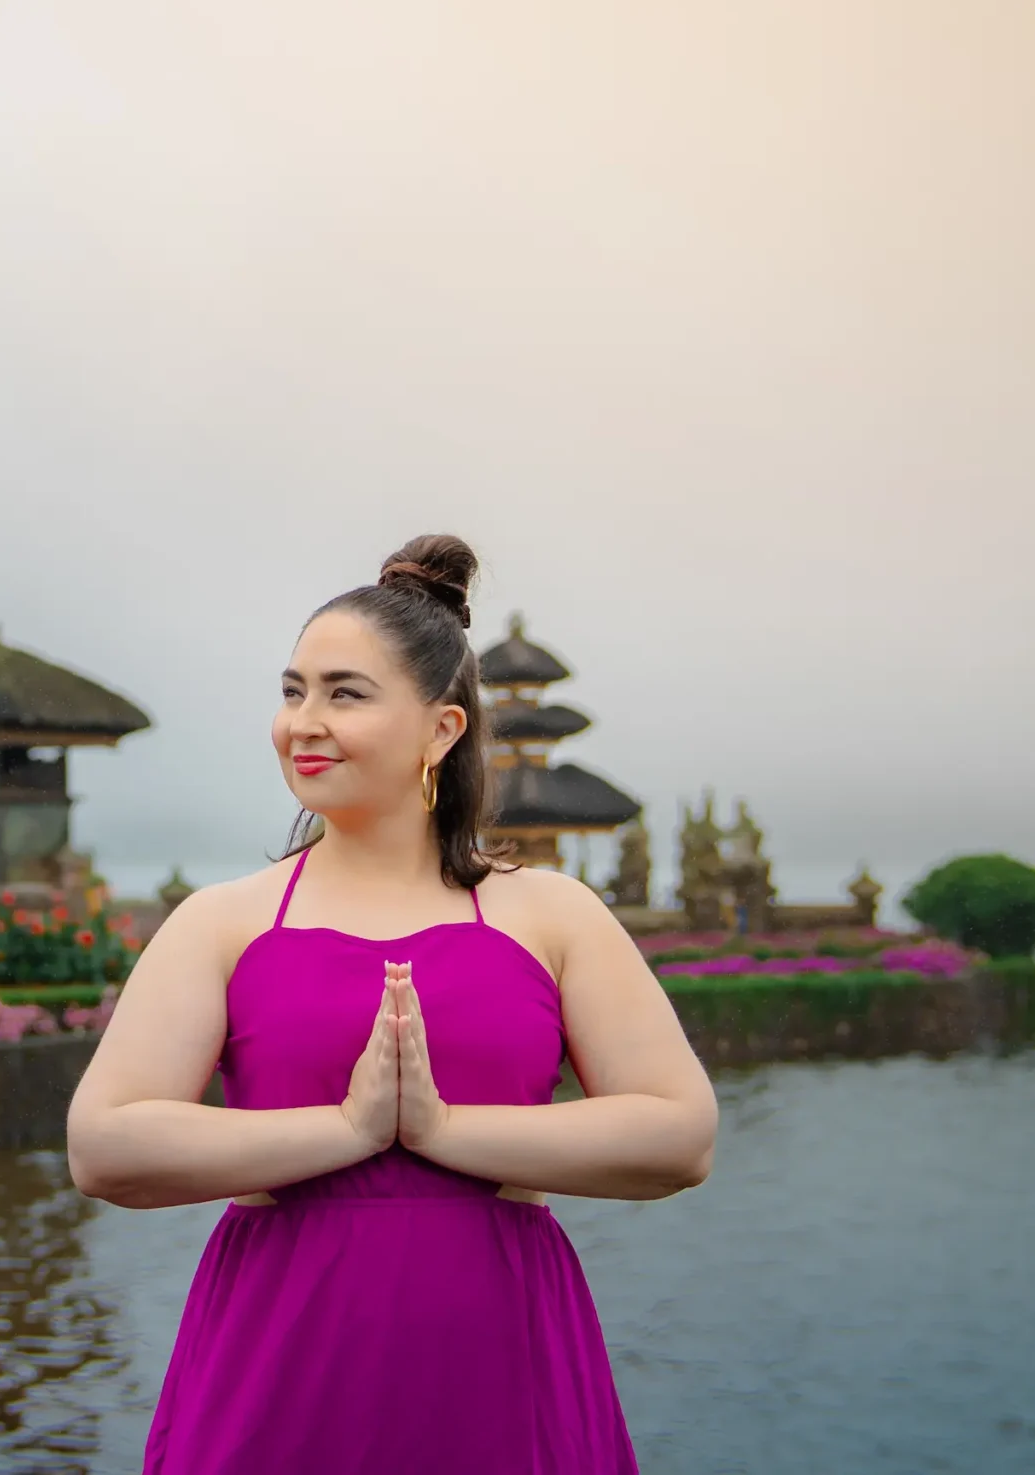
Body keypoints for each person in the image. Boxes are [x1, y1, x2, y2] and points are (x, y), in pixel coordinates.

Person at [66, 534, 717, 1473]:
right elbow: (104, 1146)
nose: (304, 722)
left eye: (345, 693)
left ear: (442, 729)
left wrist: (444, 1129)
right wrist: (347, 1128)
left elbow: (680, 1135)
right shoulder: (222, 923)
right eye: (293, 691)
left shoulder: (551, 914)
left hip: (502, 1369)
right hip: (280, 1373)